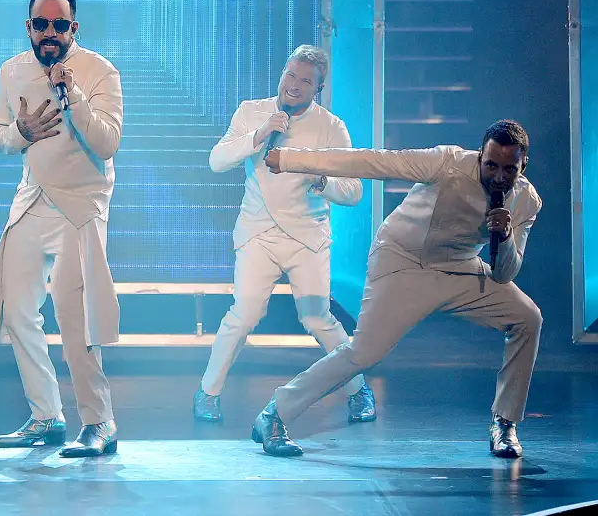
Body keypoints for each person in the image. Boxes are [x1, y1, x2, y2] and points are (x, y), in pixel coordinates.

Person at [253, 119, 542, 459]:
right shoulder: (446, 162)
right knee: (364, 353)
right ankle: (274, 414)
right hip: (403, 259)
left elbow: (505, 273)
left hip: (460, 267)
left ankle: (505, 423)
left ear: (522, 166)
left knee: (528, 319)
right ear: (480, 154)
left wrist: (505, 236)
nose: (497, 176)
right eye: (490, 164)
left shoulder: (527, 201)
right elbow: (372, 161)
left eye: (508, 170)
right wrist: (289, 159)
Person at [193, 45, 374, 424]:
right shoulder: (252, 111)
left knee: (317, 318)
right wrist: (260, 135)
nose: (294, 85)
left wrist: (322, 180)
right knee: (243, 314)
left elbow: (354, 191)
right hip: (259, 231)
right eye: (291, 75)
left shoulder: (331, 127)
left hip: (306, 235)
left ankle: (359, 391)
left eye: (305, 80)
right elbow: (216, 161)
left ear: (318, 88)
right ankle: (208, 392)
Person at [0, 0, 122, 457]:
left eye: (59, 25)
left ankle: (100, 423)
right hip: (32, 198)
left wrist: (75, 94)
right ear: (28, 26)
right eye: (41, 24)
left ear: (73, 28)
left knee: (73, 314)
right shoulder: (12, 70)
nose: (49, 32)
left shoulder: (98, 71)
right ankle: (46, 415)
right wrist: (18, 133)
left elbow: (107, 144)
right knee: (17, 308)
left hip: (80, 205)